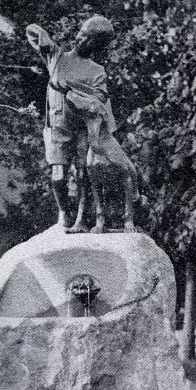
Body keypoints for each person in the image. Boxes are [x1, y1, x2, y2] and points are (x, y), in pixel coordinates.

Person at [26, 15, 138, 233]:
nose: (82, 39)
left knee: (83, 175)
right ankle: (63, 212)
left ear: (97, 46)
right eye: (82, 33)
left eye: (90, 39)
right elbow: (31, 30)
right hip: (57, 125)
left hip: (83, 129)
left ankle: (80, 220)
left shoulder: (96, 71)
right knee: (58, 175)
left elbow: (100, 100)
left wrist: (71, 88)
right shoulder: (57, 57)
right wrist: (43, 35)